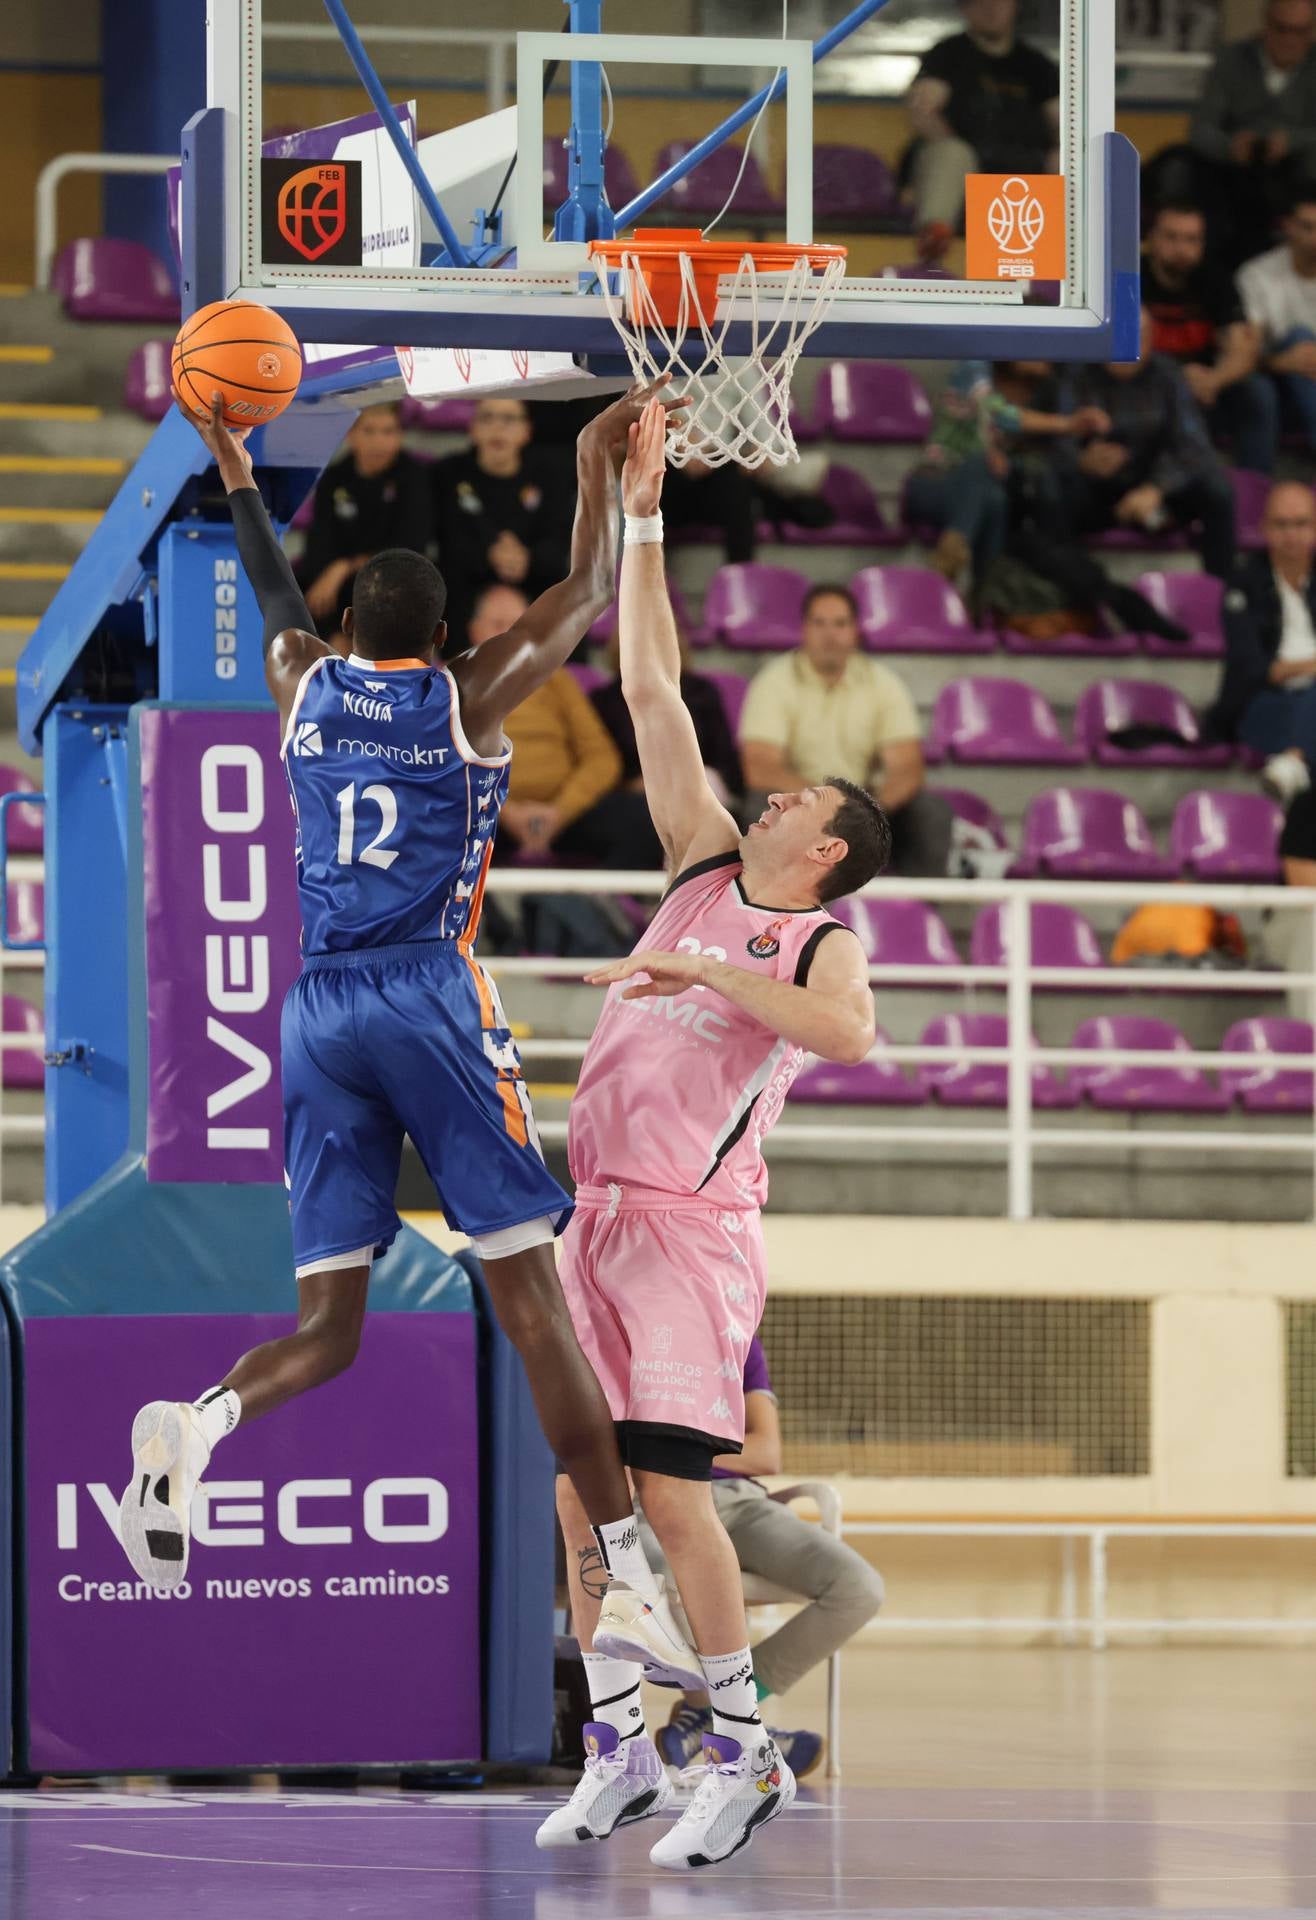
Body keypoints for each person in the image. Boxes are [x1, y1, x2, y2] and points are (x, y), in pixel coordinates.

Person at [117, 384, 693, 1673]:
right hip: (427, 992)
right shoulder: (469, 697)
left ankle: (200, 1427)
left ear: (346, 629)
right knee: (532, 1304)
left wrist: (237, 468)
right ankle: (626, 1566)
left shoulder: (297, 682)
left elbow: (271, 592)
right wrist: (599, 461)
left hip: (314, 1009)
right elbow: (591, 592)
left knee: (332, 1326)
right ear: (439, 636)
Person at [538, 401, 889, 1868]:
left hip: (691, 1235)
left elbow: (847, 1042)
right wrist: (643, 511)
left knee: (674, 1490)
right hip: (596, 1219)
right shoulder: (696, 861)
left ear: (825, 849)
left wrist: (698, 971)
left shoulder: (821, 942)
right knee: (579, 1488)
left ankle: (740, 1756)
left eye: (800, 794)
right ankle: (621, 1744)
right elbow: (652, 682)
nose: (772, 786)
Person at [643, 1333, 884, 1781]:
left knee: (859, 1588)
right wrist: (716, 1448)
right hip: (656, 1499)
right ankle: (737, 1725)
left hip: (739, 1501)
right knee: (659, 1572)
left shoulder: (737, 1341)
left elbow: (767, 1453)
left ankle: (725, 1714)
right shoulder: (633, 1332)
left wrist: (674, 1448)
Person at [737, 586, 952, 877]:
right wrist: (823, 805)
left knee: (931, 812)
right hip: (799, 807)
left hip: (867, 810)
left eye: (840, 624)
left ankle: (921, 918)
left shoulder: (883, 684)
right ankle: (764, 914)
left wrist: (869, 809)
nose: (830, 634)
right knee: (755, 808)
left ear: (855, 631)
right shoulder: (773, 683)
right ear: (804, 629)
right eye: (819, 623)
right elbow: (761, 769)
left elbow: (907, 767)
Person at [463, 584, 666, 870]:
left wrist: (560, 812)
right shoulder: (452, 686)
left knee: (647, 817)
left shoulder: (556, 681)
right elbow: (445, 763)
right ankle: (484, 915)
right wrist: (505, 812)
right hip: (484, 812)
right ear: (475, 630)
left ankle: (598, 909)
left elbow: (601, 757)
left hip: (564, 814)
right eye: (498, 624)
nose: (510, 634)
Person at [1039, 309, 1237, 579]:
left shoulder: (1167, 374)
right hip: (1097, 489)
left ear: (1150, 340)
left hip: (1154, 486)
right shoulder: (1078, 374)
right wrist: (1082, 461)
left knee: (1217, 490)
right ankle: (1071, 587)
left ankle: (1221, 590)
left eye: (1136, 338)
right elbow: (1060, 440)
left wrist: (1156, 488)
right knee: (1052, 488)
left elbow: (1193, 445)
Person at [904, 360, 1109, 585]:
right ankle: (954, 560)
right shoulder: (973, 369)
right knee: (979, 463)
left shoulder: (1035, 397)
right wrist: (1068, 424)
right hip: (932, 484)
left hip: (978, 498)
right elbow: (999, 413)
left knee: (996, 499)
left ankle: (982, 590)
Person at [905, 0, 1060, 263]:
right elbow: (923, 111)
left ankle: (1056, 270)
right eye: (981, 2)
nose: (991, 8)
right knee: (952, 153)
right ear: (965, 8)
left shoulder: (1036, 65)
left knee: (1065, 161)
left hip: (1022, 172)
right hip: (964, 168)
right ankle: (935, 239)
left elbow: (1066, 123)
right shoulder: (947, 55)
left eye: (1001, 1)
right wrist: (956, 147)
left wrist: (1059, 153)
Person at [1141, 203, 1274, 473]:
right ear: (1151, 238)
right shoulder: (1131, 277)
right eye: (1171, 237)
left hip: (1206, 385)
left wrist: (1214, 380)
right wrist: (1178, 379)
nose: (1182, 249)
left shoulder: (1216, 279)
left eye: (1192, 239)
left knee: (1257, 390)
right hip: (1148, 382)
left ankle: (1254, 486)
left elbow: (1243, 349)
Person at [1206, 481, 1316, 806]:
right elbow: (1252, 668)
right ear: (1264, 529)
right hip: (1262, 705)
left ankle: (1295, 761)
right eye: (1281, 524)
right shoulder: (1243, 583)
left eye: (1301, 524)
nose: (1291, 534)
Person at [1188, 0, 1316, 265]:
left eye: (1300, 31)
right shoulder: (1231, 60)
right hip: (1235, 172)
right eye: (1282, 29)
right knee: (1183, 164)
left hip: (1301, 176)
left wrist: (1291, 142)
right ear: (1266, 26)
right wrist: (1230, 146)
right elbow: (1200, 130)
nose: (1290, 39)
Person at [431, 395, 574, 629]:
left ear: (526, 430)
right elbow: (445, 543)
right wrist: (489, 555)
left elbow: (559, 542)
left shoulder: (551, 476)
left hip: (534, 583)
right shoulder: (447, 474)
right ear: (473, 428)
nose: (497, 427)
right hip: (466, 588)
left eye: (508, 419)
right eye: (487, 418)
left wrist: (528, 558)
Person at [294, 403, 432, 634]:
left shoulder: (415, 478)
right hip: (338, 588)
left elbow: (411, 546)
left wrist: (345, 566)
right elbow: (319, 542)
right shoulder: (334, 478)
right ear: (351, 434)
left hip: (390, 582)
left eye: (388, 431)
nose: (379, 441)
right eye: (369, 430)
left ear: (400, 435)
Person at [591, 624, 744, 805]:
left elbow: (724, 757)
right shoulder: (604, 700)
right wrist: (633, 784)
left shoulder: (701, 691)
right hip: (635, 795)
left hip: (701, 788)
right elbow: (601, 760)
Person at [1238, 191, 1316, 460]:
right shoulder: (1258, 275)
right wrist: (1282, 361)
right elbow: (1246, 355)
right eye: (1307, 227)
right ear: (1288, 227)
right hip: (1273, 379)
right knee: (1300, 337)